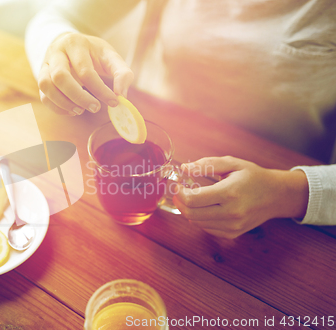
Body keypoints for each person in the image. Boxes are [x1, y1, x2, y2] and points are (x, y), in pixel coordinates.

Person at [25, 0, 336, 238]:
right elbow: (56, 17)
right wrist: (59, 47)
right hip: (160, 130)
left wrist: (289, 193)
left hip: (282, 204)